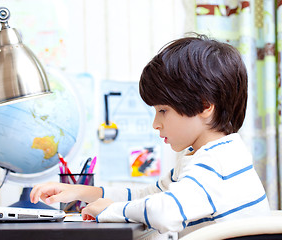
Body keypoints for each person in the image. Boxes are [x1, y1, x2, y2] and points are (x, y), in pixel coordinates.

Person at [30, 34, 270, 237]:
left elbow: (165, 212)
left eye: (163, 111)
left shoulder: (218, 162)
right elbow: (150, 195)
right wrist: (81, 192)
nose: (156, 124)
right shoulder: (205, 155)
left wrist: (111, 210)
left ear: (205, 106)